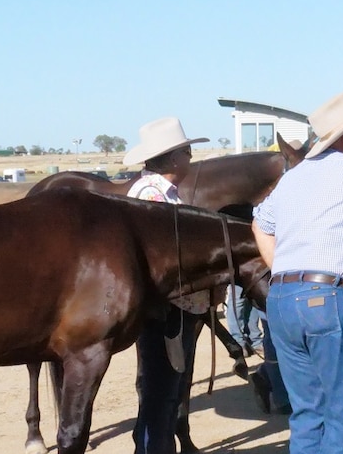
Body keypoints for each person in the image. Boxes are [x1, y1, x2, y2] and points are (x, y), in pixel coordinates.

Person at [253, 92, 343, 453]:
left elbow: (260, 226)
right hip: (331, 296)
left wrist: (282, 269)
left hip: (281, 297)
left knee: (308, 414)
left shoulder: (293, 178)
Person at [124, 116, 211, 454]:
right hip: (166, 313)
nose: (190, 158)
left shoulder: (159, 193)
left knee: (164, 392)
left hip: (171, 311)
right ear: (173, 158)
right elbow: (170, 258)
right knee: (161, 392)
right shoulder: (152, 195)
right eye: (187, 152)